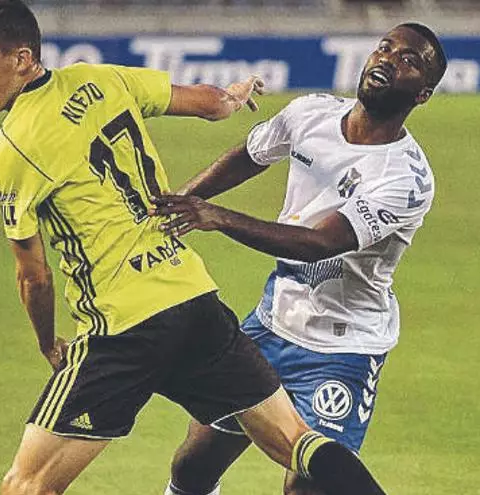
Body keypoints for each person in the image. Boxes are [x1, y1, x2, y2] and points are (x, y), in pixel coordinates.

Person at [0, 1, 387, 494]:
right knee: (297, 442)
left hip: (121, 325)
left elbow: (34, 275)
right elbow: (212, 104)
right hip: (193, 301)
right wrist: (234, 96)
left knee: (27, 484)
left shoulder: (13, 148)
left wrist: (47, 342)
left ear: (22, 58)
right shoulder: (100, 78)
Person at [150, 22, 446, 495]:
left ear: (423, 93)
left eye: (409, 60)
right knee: (194, 466)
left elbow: (319, 244)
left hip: (343, 349)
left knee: (308, 486)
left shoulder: (406, 179)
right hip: (272, 324)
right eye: (385, 48)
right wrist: (182, 201)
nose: (389, 59)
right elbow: (249, 155)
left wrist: (217, 218)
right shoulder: (311, 113)